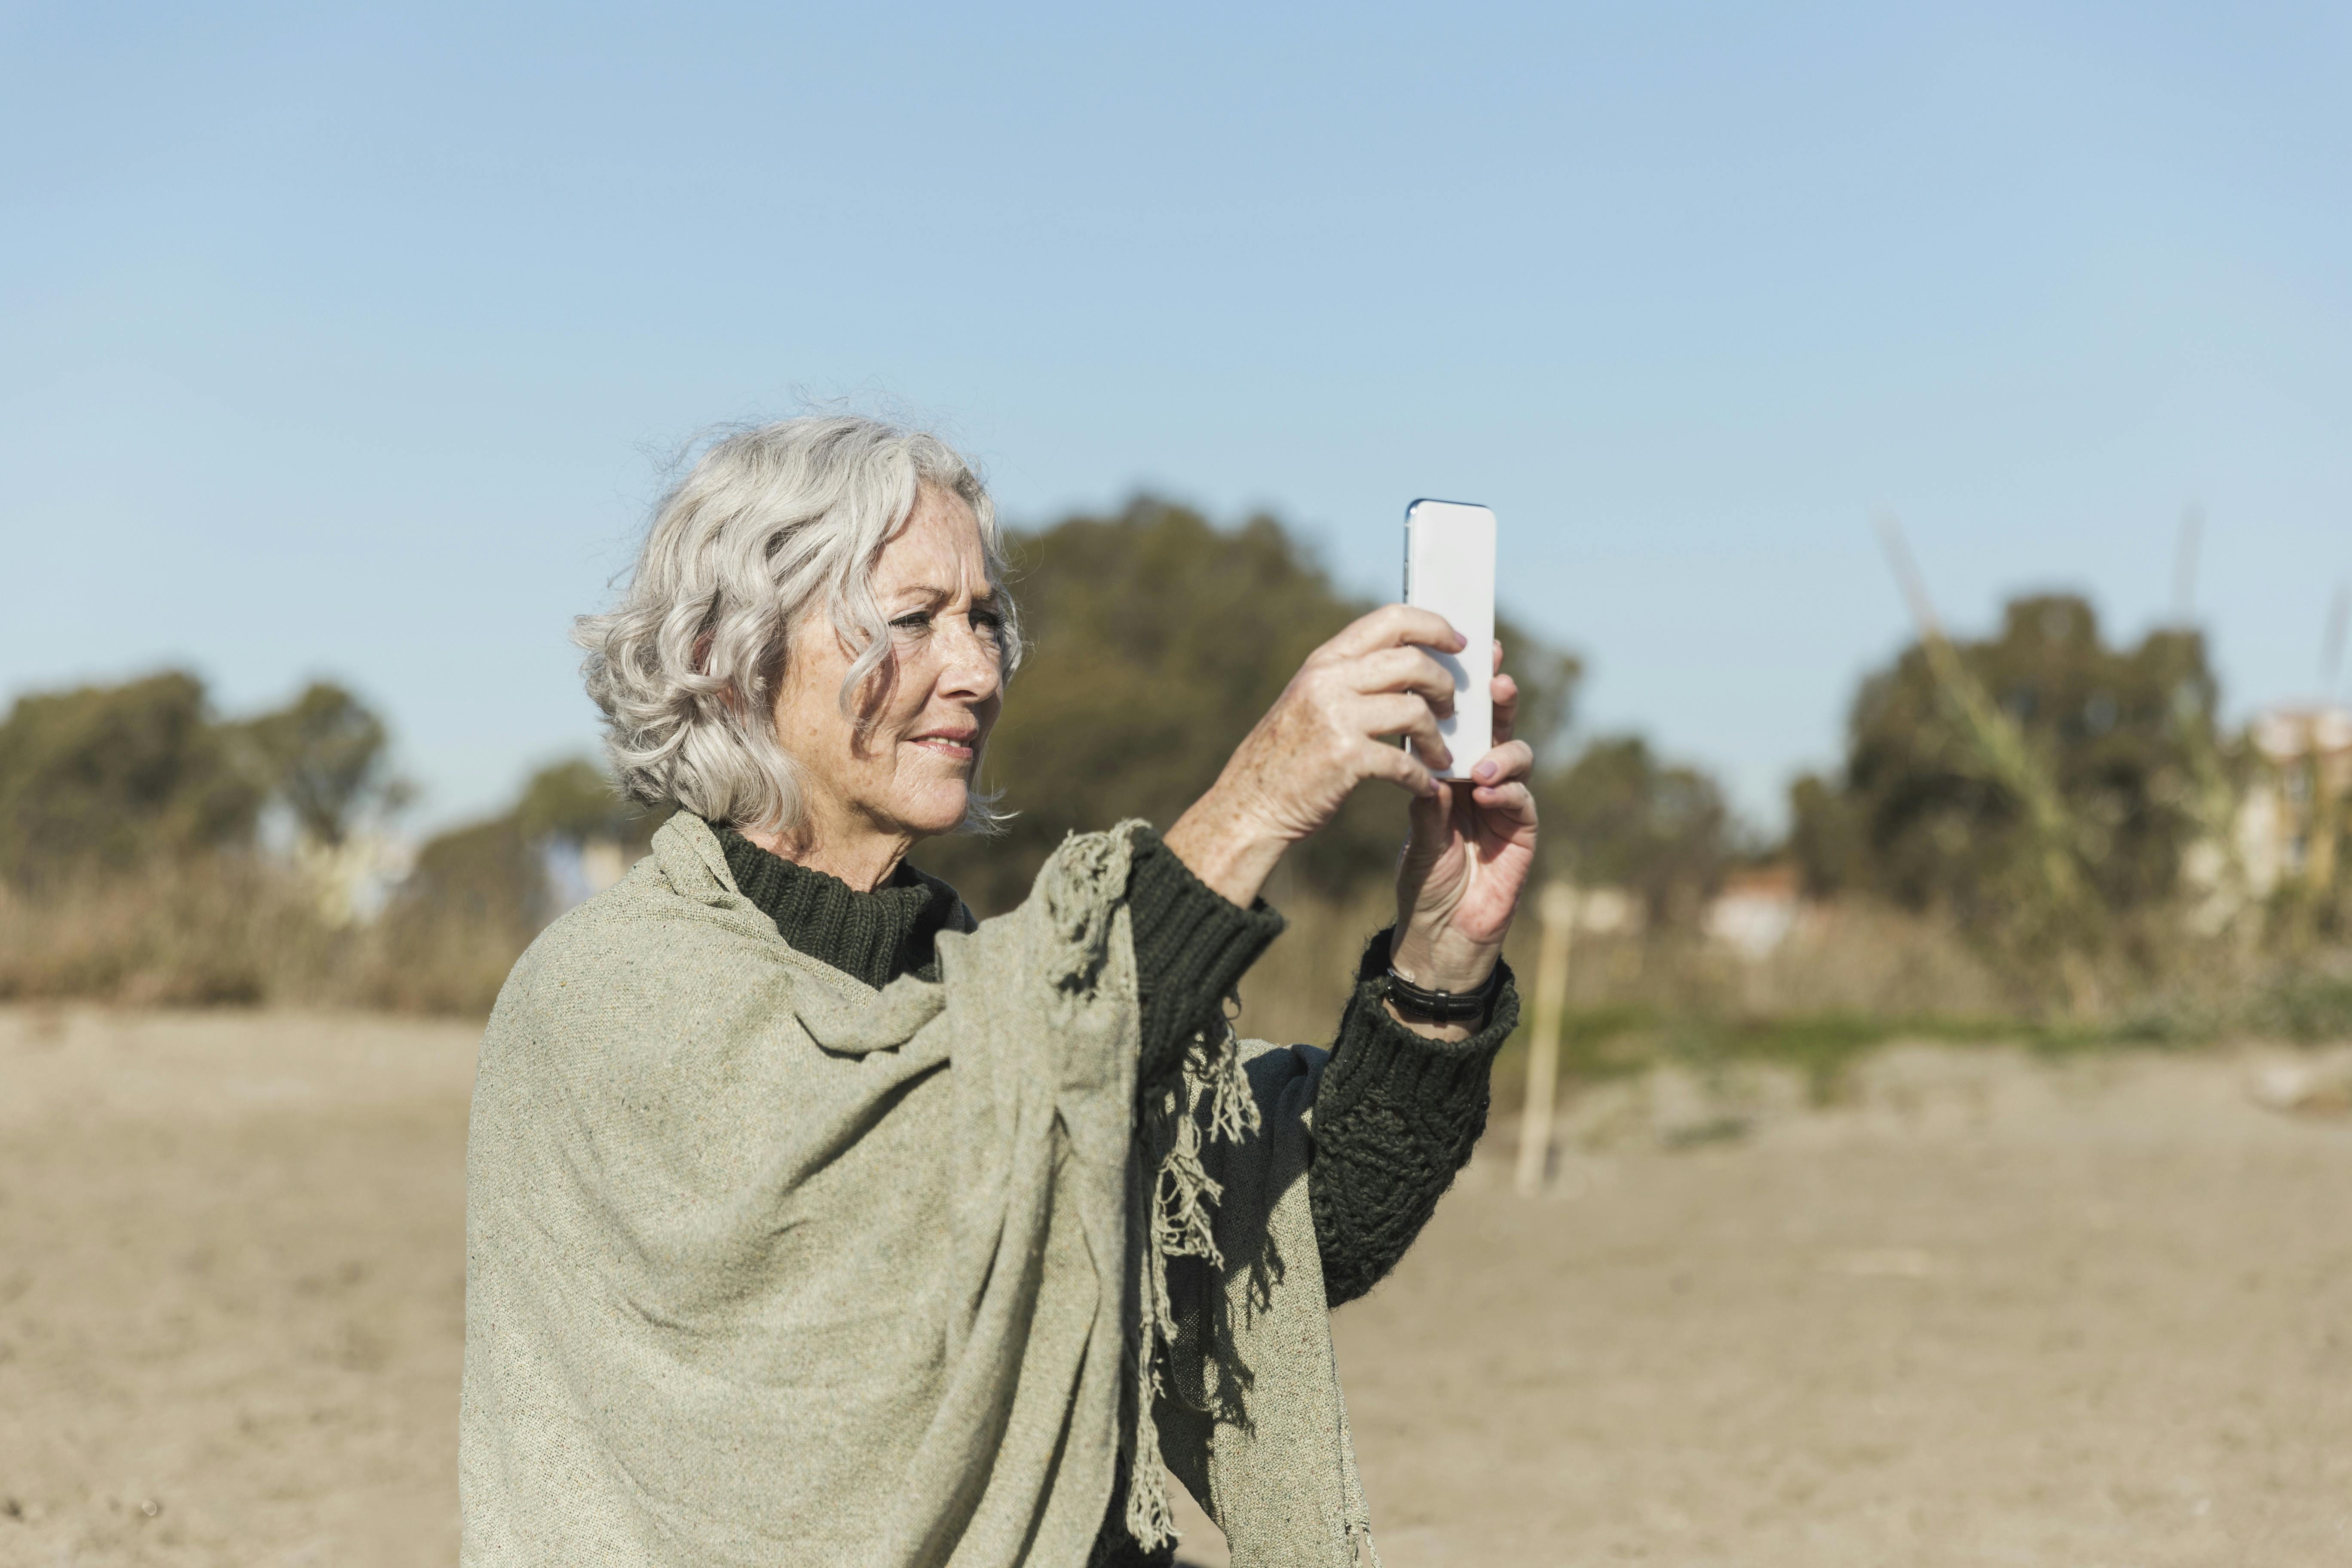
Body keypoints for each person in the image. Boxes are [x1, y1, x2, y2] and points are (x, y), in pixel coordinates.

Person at [460, 416, 1538, 1568]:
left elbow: (1303, 1236)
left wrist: (1438, 962)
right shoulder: (608, 990)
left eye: (983, 619)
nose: (975, 670)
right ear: (734, 655)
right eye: (912, 619)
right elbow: (918, 1193)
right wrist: (1259, 800)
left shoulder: (974, 985)